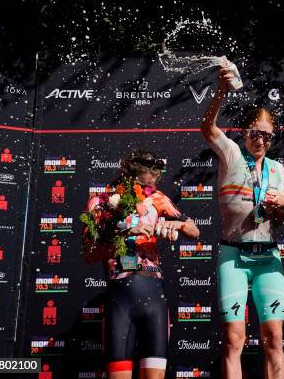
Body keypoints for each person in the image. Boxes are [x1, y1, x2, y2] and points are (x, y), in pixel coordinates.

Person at [200, 59, 284, 379]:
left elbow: (276, 220)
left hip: (267, 257)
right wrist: (222, 91)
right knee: (234, 340)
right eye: (255, 133)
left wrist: (282, 207)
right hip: (232, 254)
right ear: (245, 132)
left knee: (274, 340)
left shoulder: (278, 170)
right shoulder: (233, 154)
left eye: (267, 136)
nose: (260, 141)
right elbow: (207, 128)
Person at [81, 150, 200, 379]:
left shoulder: (158, 198)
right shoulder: (102, 202)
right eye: (147, 174)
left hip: (154, 294)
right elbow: (89, 253)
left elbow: (195, 230)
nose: (152, 180)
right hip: (120, 297)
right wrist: (124, 233)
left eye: (156, 175)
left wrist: (178, 226)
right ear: (129, 172)